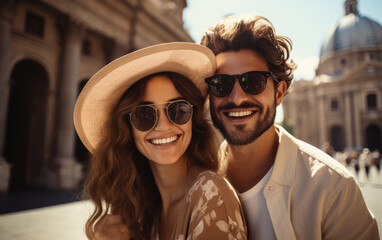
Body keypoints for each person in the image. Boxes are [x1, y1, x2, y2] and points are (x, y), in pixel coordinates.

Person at [200, 15, 379, 239]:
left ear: (279, 93)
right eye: (221, 84)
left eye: (253, 82)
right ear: (209, 96)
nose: (237, 98)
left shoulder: (334, 188)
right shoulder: (194, 184)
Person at [74, 43, 247, 240]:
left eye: (178, 110)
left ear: (193, 118)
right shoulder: (145, 207)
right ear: (127, 128)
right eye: (144, 114)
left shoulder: (212, 196)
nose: (163, 126)